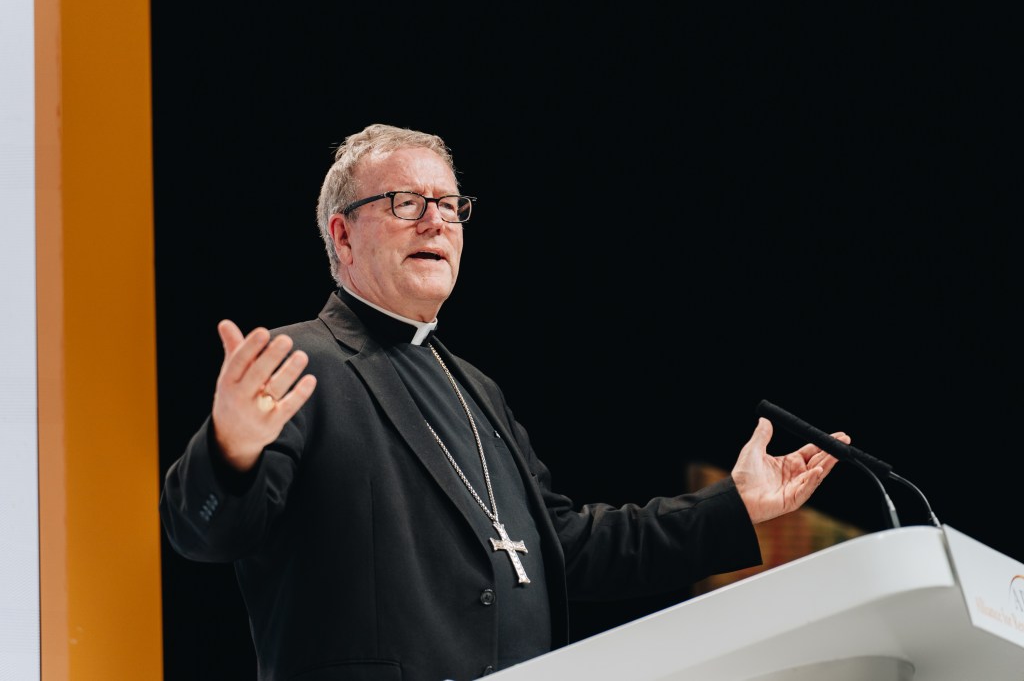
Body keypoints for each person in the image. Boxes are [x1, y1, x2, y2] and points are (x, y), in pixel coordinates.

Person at [159, 123, 846, 681]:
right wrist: (230, 451)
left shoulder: (476, 390)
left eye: (449, 205)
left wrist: (733, 508)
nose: (435, 221)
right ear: (341, 234)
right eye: (405, 202)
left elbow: (567, 549)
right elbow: (203, 531)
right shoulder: (299, 361)